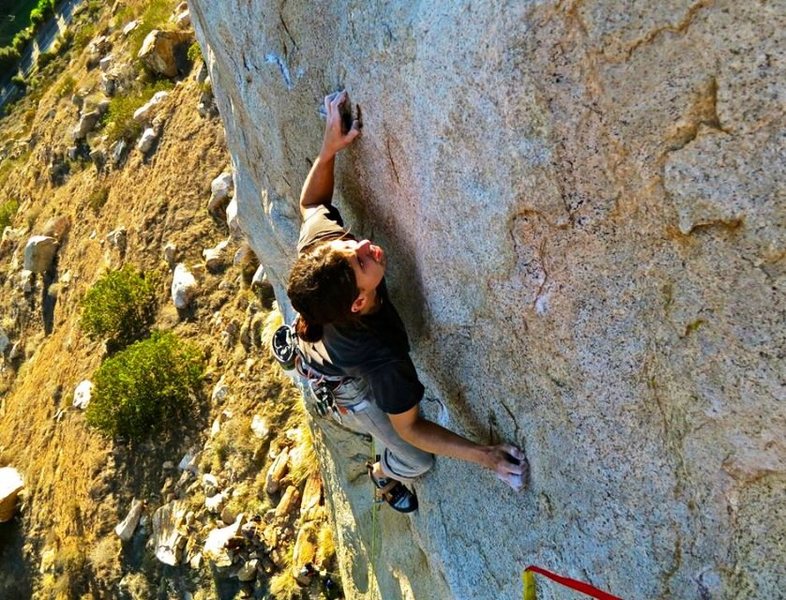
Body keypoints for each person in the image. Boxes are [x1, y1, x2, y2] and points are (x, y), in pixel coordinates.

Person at [284, 91, 527, 513]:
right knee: (417, 460)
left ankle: (297, 343)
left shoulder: (325, 255)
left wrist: (329, 150)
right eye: (362, 262)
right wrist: (486, 457)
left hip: (319, 322)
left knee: (318, 308)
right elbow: (411, 427)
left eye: (351, 247)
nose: (364, 245)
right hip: (351, 386)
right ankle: (383, 473)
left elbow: (312, 205)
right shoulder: (380, 356)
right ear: (359, 303)